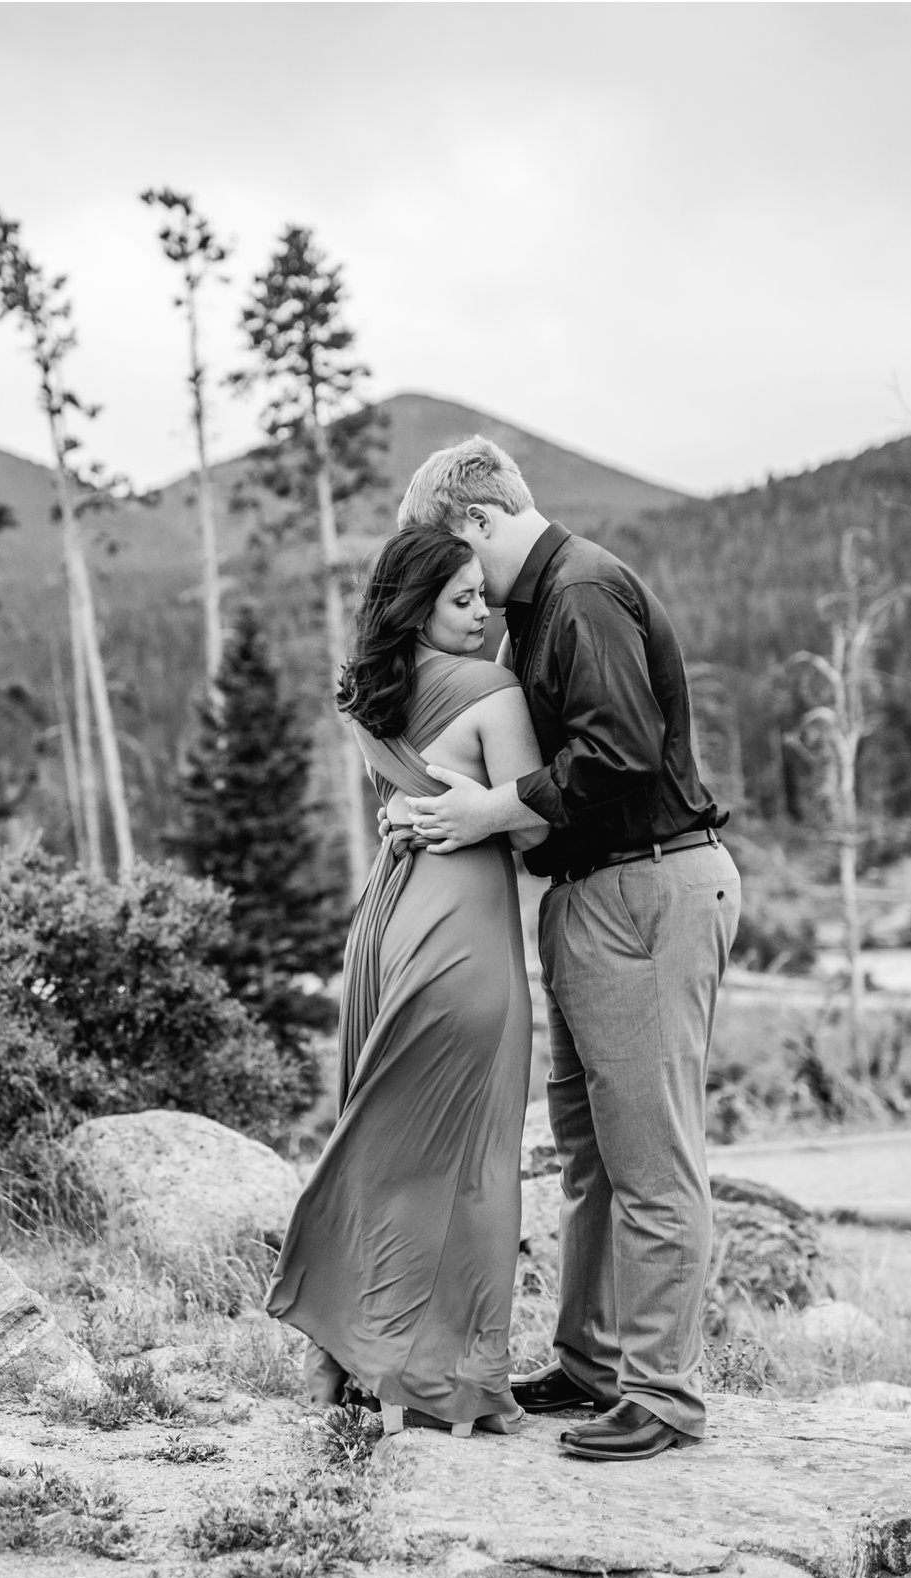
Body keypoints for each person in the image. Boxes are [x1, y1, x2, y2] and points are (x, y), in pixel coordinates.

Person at [402, 436, 739, 1463]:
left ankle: (662, 1394)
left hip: (643, 886)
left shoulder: (581, 592)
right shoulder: (540, 610)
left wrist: (492, 807)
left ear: (470, 520)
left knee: (648, 1155)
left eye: (438, 548)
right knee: (592, 1155)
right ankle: (593, 1362)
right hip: (597, 895)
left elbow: (619, 751)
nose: (445, 575)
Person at [265, 523, 545, 1437]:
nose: (481, 614)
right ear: (417, 603)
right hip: (462, 924)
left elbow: (403, 802)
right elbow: (533, 829)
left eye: (482, 596)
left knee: (380, 1133)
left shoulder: (366, 696)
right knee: (471, 1154)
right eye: (462, 599)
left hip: (387, 917)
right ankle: (451, 1380)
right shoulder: (493, 690)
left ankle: (336, 1355)